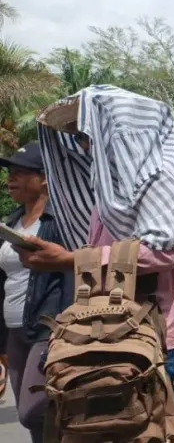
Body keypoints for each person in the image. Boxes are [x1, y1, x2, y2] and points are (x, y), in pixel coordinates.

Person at [29, 86, 174, 440]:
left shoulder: (163, 176)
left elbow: (160, 252)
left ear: (122, 133)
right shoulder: (110, 186)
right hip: (106, 322)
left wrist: (70, 260)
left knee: (141, 426)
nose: (84, 147)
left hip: (151, 329)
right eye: (80, 138)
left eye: (88, 136)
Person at [0, 143, 70, 442]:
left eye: (20, 172)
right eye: (9, 173)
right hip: (14, 330)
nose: (10, 179)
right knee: (30, 420)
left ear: (44, 178)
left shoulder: (60, 221)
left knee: (35, 410)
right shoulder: (10, 222)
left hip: (46, 326)